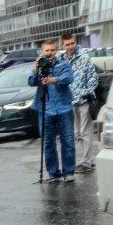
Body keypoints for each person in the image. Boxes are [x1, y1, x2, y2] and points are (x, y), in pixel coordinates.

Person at [29, 39, 75, 183]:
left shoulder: (63, 64)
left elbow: (69, 78)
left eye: (52, 50)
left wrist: (53, 79)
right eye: (47, 51)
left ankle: (68, 172)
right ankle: (53, 173)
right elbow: (31, 82)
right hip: (45, 109)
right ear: (42, 52)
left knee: (67, 141)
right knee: (48, 143)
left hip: (64, 108)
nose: (49, 53)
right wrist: (36, 69)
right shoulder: (40, 66)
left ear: (56, 51)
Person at [60, 33, 100, 174]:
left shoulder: (84, 57)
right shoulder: (62, 60)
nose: (70, 46)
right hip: (70, 102)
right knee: (77, 133)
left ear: (75, 42)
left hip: (84, 100)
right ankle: (87, 160)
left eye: (72, 43)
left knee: (85, 132)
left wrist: (85, 92)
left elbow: (93, 78)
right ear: (63, 45)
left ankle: (87, 162)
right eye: (67, 44)